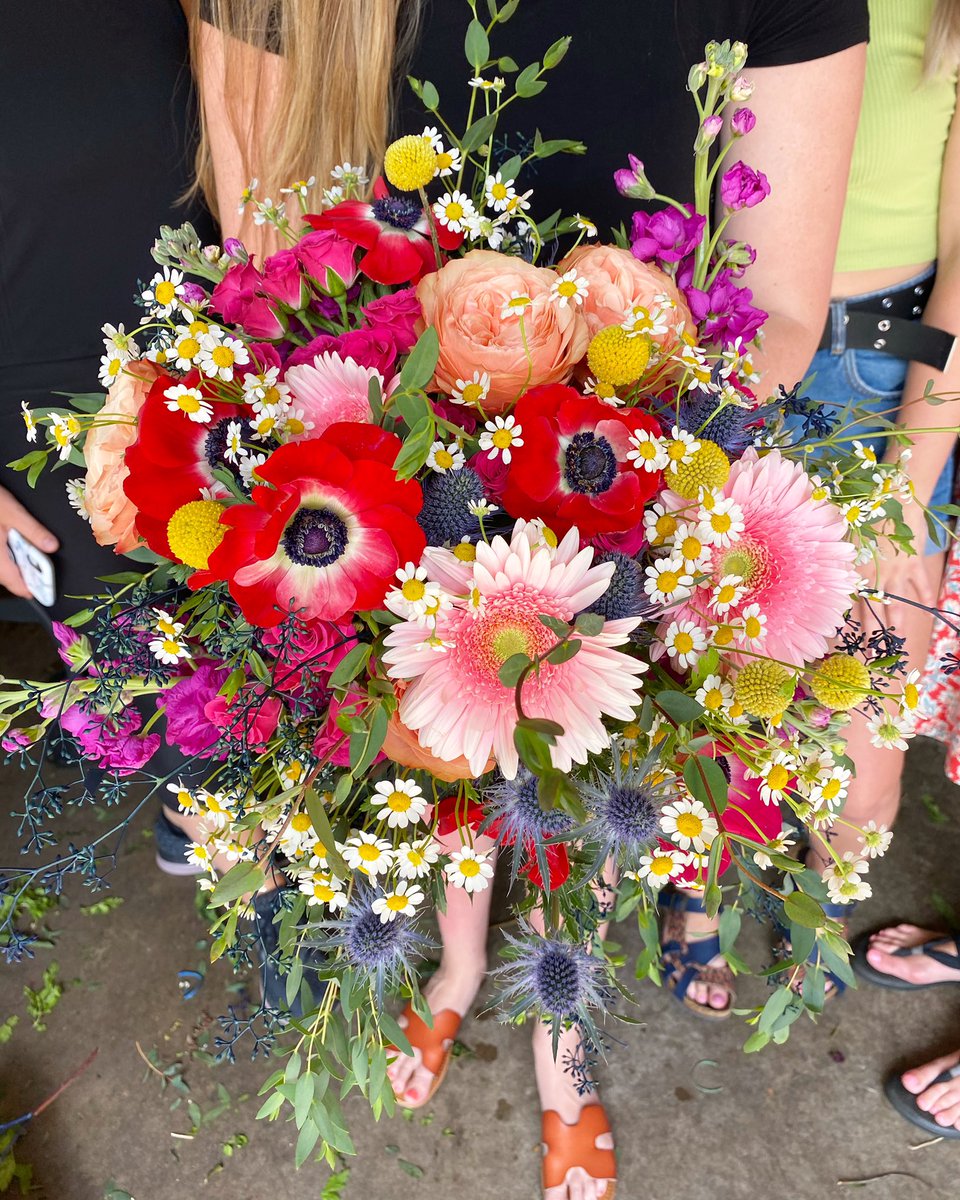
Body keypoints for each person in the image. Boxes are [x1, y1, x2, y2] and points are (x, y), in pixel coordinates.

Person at [21, 3, 869, 1197]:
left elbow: (778, 314)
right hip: (392, 473)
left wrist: (632, 456)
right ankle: (459, 973)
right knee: (448, 749)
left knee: (597, 784)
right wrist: (434, 476)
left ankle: (561, 1042)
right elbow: (277, 264)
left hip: (641, 462)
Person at [787, 0, 960, 1007]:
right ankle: (696, 885)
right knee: (699, 672)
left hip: (885, 373)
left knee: (861, 729)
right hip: (717, 344)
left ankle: (821, 903)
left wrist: (906, 485)